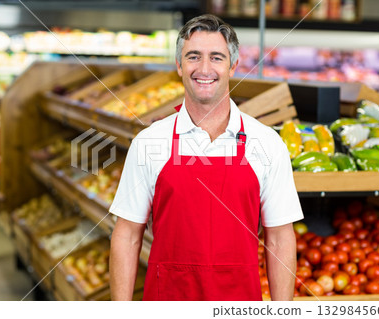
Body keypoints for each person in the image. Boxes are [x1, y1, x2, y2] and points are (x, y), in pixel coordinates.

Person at [109, 14, 303, 301]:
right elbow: (127, 236)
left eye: (216, 57)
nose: (204, 68)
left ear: (233, 66)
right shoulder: (149, 142)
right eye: (193, 57)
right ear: (178, 65)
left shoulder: (267, 143)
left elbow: (280, 238)